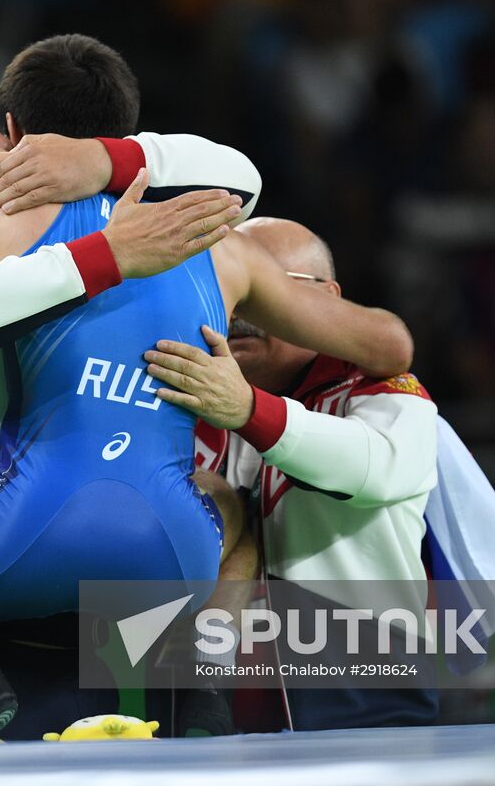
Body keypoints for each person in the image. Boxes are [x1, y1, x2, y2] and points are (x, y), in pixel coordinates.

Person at [0, 36, 414, 745]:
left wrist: (101, 219)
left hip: (17, 544)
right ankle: (201, 683)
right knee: (231, 510)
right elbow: (388, 341)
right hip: (160, 559)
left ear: (21, 130)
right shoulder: (218, 241)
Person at [150, 217, 439, 730]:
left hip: (363, 700)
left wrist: (249, 411)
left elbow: (375, 470)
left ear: (327, 299)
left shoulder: (383, 389)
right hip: (205, 721)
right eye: (235, 289)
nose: (242, 311)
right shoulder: (178, 398)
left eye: (271, 290)